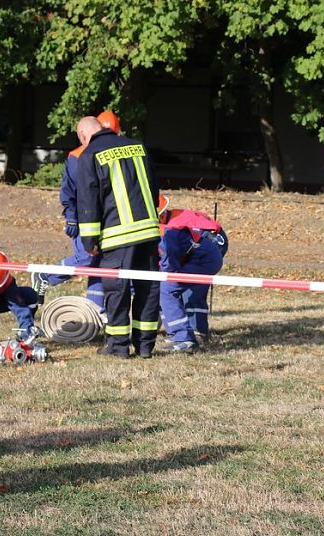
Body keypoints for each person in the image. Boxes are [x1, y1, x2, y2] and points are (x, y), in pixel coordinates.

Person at [76, 116, 161, 359]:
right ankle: (145, 346)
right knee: (148, 289)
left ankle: (118, 347)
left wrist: (90, 240)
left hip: (117, 235)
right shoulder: (138, 146)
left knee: (117, 290)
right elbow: (153, 187)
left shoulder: (89, 155)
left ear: (84, 136)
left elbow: (88, 201)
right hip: (149, 232)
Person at [31, 111, 122, 312]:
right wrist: (71, 218)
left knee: (100, 265)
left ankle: (96, 312)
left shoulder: (112, 153)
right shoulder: (77, 157)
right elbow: (69, 191)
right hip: (85, 220)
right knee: (86, 258)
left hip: (107, 220)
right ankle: (45, 274)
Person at [157, 196, 228, 353]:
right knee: (167, 286)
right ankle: (181, 331)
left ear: (160, 215)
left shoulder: (171, 229)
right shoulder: (172, 220)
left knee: (175, 289)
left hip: (211, 247)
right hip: (200, 248)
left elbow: (170, 262)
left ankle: (189, 334)